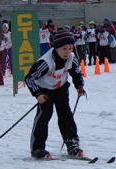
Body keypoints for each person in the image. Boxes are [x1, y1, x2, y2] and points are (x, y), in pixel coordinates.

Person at [24, 30, 85, 159]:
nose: (67, 52)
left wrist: (79, 86)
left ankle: (72, 143)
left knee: (65, 114)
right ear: (56, 48)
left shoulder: (71, 58)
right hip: (44, 89)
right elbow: (29, 78)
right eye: (64, 49)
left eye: (70, 48)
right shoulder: (45, 62)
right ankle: (37, 148)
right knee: (45, 115)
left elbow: (76, 72)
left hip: (60, 87)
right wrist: (38, 94)